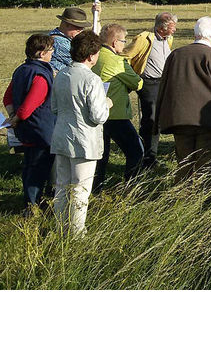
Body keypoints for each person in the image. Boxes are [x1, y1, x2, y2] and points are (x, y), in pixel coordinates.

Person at [155, 17, 211, 184]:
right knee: (205, 164)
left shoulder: (176, 55)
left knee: (184, 163)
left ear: (195, 34)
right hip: (208, 120)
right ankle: (201, 200)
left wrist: (158, 119)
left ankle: (181, 198)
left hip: (180, 118)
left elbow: (164, 87)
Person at [50, 30, 111, 236]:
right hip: (84, 141)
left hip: (62, 136)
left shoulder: (61, 75)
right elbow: (98, 116)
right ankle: (76, 233)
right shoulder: (91, 79)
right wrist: (107, 103)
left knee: (61, 186)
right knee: (80, 190)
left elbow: (54, 108)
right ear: (92, 55)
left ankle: (60, 228)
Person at [3, 34, 57, 212]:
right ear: (41, 53)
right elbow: (28, 107)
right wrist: (17, 118)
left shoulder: (21, 69)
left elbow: (8, 96)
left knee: (29, 167)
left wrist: (12, 116)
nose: (52, 53)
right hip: (40, 130)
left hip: (26, 130)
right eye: (50, 50)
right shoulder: (40, 75)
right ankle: (32, 206)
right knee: (37, 170)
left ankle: (30, 201)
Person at [92, 24, 144, 193]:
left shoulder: (95, 56)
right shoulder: (116, 61)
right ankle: (131, 189)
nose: (124, 44)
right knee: (136, 150)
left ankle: (95, 190)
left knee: (101, 156)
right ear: (114, 43)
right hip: (116, 114)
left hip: (96, 114)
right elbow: (137, 82)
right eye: (123, 41)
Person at [124, 12, 177, 168]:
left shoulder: (169, 39)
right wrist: (135, 78)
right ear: (162, 27)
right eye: (173, 27)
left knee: (159, 119)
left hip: (164, 83)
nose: (175, 30)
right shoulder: (144, 39)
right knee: (152, 120)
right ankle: (148, 158)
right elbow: (125, 56)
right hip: (148, 83)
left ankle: (150, 155)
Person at [50, 6, 92, 74]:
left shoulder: (58, 35)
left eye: (82, 27)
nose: (80, 31)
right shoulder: (60, 42)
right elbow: (82, 64)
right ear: (65, 24)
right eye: (77, 27)